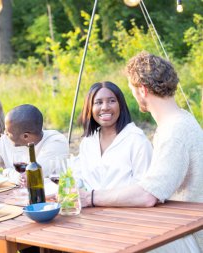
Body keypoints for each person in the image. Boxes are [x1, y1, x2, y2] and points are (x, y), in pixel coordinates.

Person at [80, 52, 203, 252]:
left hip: (186, 236)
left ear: (143, 90)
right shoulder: (180, 120)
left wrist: (89, 198)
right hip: (178, 225)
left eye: (132, 89)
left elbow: (148, 195)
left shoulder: (174, 132)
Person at [75, 81, 152, 191]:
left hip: (126, 206)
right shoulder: (87, 142)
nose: (105, 107)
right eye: (98, 102)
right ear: (90, 108)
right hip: (90, 206)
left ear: (121, 106)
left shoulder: (136, 140)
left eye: (112, 101)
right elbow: (79, 178)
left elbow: (145, 188)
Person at [0, 104, 69, 185]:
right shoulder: (5, 142)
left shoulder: (56, 142)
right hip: (14, 200)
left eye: (8, 132)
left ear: (25, 136)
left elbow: (31, 178)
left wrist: (8, 172)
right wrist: (7, 176)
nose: (4, 133)